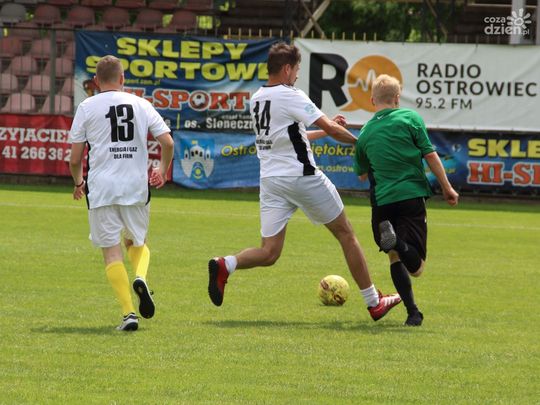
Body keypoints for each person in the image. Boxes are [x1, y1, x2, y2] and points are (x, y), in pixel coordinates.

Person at [207, 42, 401, 321]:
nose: (297, 74)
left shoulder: (258, 98)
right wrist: (362, 144)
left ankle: (226, 264)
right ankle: (374, 302)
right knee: (346, 233)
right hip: (301, 176)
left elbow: (292, 135)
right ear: (287, 69)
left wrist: (326, 130)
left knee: (269, 252)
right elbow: (329, 127)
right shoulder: (291, 95)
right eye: (297, 69)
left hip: (271, 181)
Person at [69, 55, 174, 332]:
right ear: (123, 78)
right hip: (135, 186)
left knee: (111, 251)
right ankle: (140, 277)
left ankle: (128, 314)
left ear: (95, 81)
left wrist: (79, 182)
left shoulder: (87, 106)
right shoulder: (141, 104)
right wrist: (162, 170)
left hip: (102, 188)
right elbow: (167, 142)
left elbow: (75, 158)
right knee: (136, 242)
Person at [353, 74, 459, 326]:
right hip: (410, 195)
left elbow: (362, 175)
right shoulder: (411, 118)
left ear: (372, 100)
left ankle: (413, 313)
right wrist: (447, 187)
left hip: (382, 200)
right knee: (417, 267)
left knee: (393, 256)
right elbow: (430, 155)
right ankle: (398, 242)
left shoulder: (365, 132)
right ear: (397, 98)